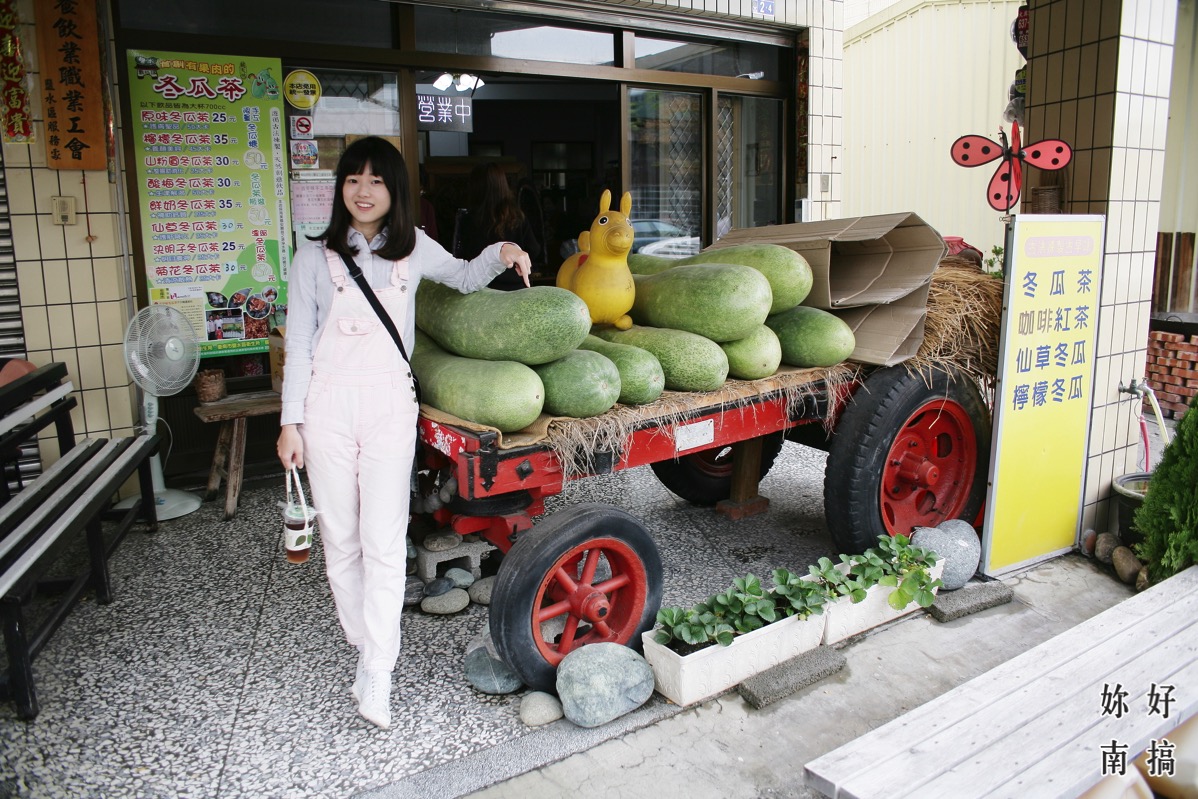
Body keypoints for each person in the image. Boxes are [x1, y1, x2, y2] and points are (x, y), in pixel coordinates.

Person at [276, 136, 531, 731]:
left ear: (394, 192)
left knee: (385, 540)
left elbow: (467, 278)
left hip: (390, 403)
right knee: (340, 540)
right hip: (327, 407)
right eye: (353, 180)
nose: (363, 192)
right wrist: (291, 423)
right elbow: (299, 347)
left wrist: (503, 250)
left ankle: (379, 668)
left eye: (377, 181)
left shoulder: (413, 250)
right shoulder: (312, 257)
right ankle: (368, 648)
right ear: (341, 189)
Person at [458, 162, 543, 290]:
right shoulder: (517, 217)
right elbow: (534, 250)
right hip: (516, 288)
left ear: (475, 187)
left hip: (481, 292)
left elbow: (463, 257)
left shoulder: (468, 220)